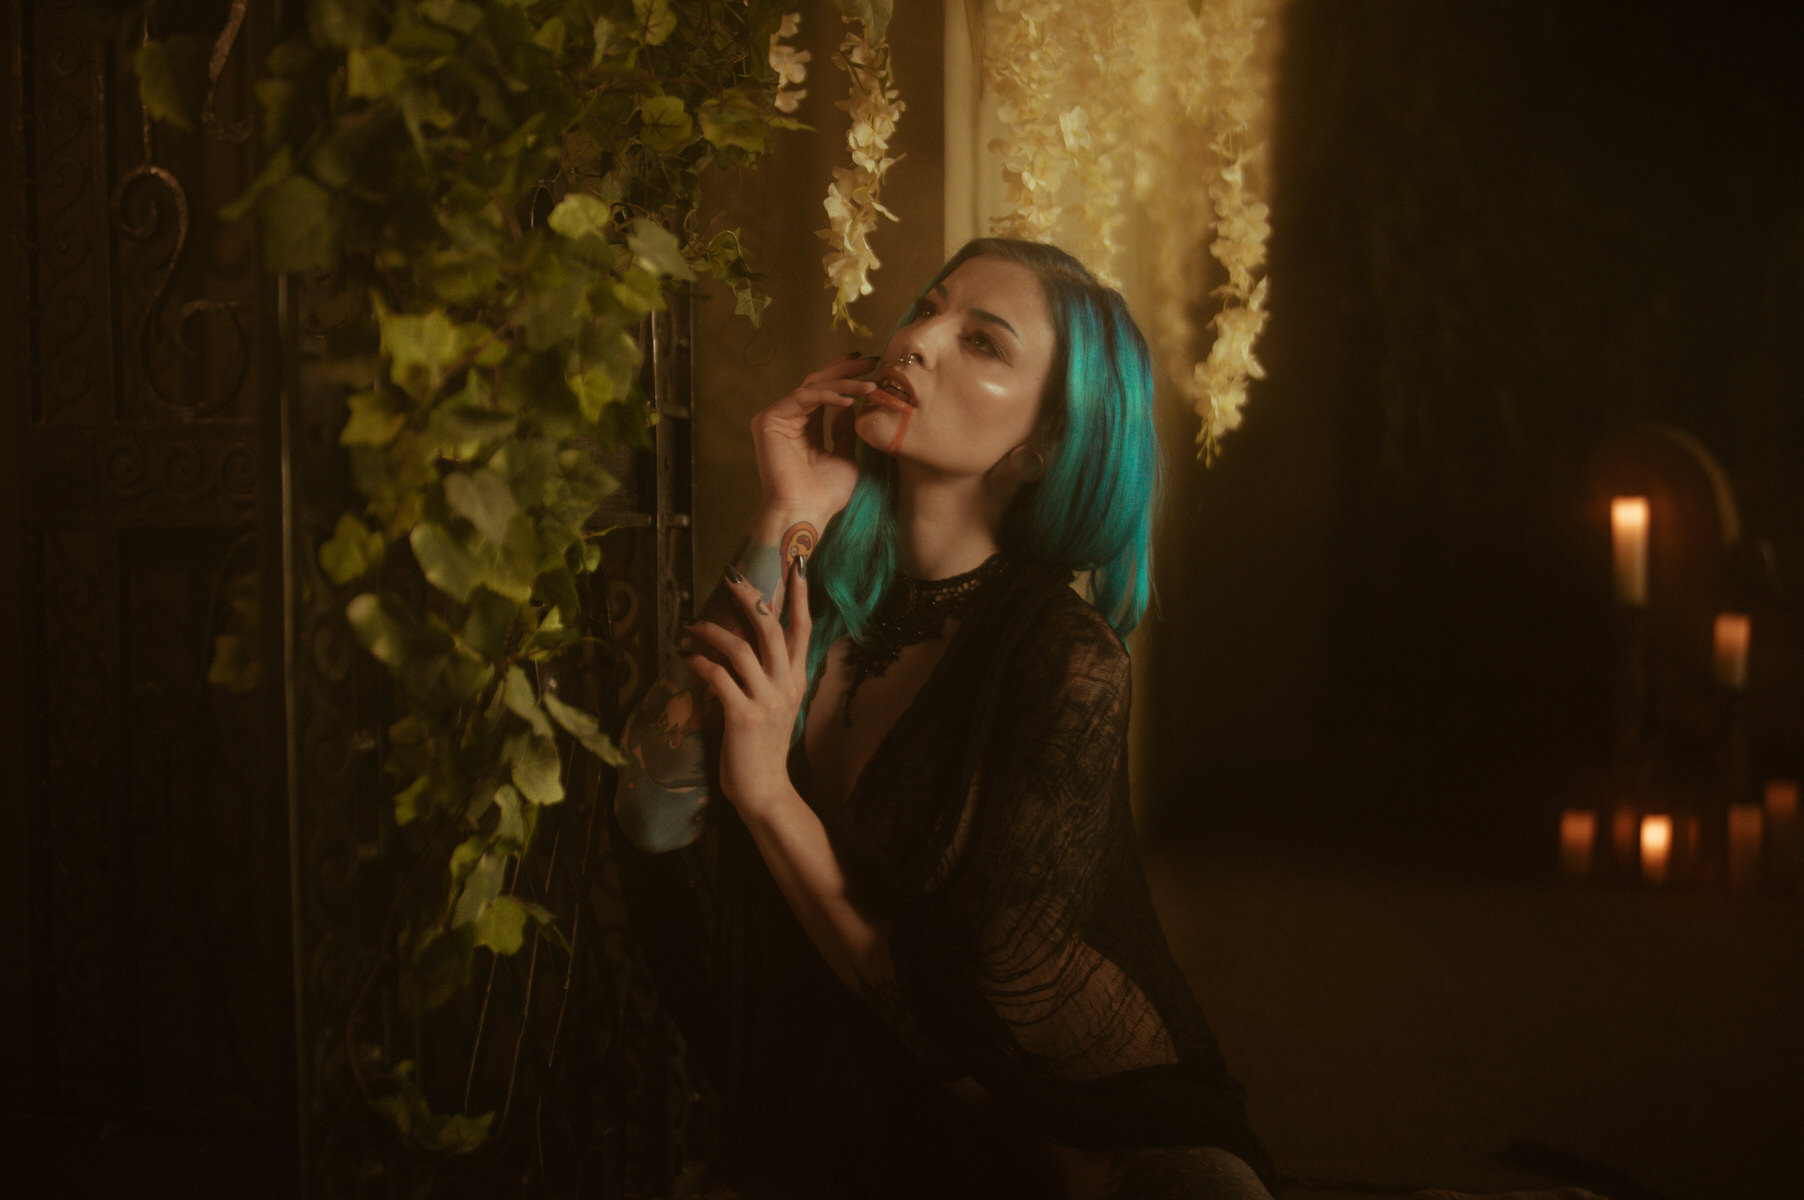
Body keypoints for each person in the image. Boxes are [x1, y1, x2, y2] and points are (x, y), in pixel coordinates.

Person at [613, 238, 1276, 1200]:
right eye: (928, 307)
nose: (916, 340)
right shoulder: (820, 586)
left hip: (1081, 1138)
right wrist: (783, 514)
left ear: (1043, 444)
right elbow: (651, 809)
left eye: (983, 342)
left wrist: (767, 796)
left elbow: (961, 1023)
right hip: (835, 1115)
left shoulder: (1064, 656)